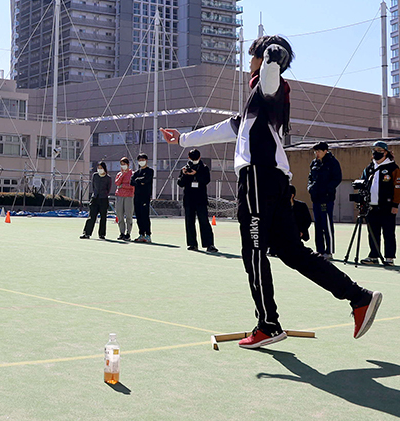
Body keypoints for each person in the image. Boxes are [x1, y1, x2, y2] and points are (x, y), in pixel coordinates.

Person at [161, 34, 382, 349]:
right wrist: (182, 139)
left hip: (257, 178)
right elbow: (227, 127)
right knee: (292, 252)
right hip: (276, 179)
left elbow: (269, 76)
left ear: (260, 59)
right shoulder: (259, 102)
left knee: (253, 250)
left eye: (253, 57)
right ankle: (359, 298)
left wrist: (272, 55)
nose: (250, 64)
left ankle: (267, 325)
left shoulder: (270, 87)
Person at [359, 142, 400, 266]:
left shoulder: (393, 168)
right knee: (373, 233)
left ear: (385, 152)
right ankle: (374, 256)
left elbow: (399, 188)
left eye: (379, 150)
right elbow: (362, 184)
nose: (376, 152)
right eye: (374, 150)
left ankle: (389, 257)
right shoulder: (369, 168)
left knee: (388, 232)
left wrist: (395, 205)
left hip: (387, 207)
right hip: (371, 207)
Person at [307, 141, 342, 260]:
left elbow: (337, 178)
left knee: (326, 224)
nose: (316, 153)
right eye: (315, 151)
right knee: (318, 225)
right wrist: (310, 188)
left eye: (319, 151)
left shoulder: (332, 163)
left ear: (325, 151)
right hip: (316, 198)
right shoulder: (314, 163)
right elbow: (310, 178)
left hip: (326, 198)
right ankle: (320, 250)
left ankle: (329, 251)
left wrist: (327, 190)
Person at [176, 149, 216, 252]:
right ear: (189, 158)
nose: (194, 160)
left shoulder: (204, 168)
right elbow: (180, 183)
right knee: (189, 222)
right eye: (192, 158)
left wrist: (196, 174)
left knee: (204, 221)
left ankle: (209, 244)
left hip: (201, 199)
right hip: (189, 199)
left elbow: (206, 180)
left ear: (199, 157)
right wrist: (185, 174)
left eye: (196, 158)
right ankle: (192, 244)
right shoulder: (185, 168)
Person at [80, 161, 111, 240]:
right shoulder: (95, 176)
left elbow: (108, 189)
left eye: (101, 168)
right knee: (91, 216)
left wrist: (103, 194)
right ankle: (87, 233)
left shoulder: (108, 178)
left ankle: (102, 234)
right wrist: (95, 194)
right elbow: (93, 186)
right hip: (95, 198)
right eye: (98, 168)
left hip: (103, 199)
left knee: (103, 217)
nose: (100, 170)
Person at [130, 153, 154, 243]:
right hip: (137, 196)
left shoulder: (150, 171)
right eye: (139, 160)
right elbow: (132, 182)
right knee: (138, 216)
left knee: (145, 215)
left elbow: (146, 180)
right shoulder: (136, 172)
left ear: (146, 160)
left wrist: (138, 180)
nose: (141, 162)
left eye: (143, 160)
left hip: (145, 196)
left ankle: (148, 235)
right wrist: (139, 181)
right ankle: (141, 234)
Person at [114, 157, 135, 240]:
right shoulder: (119, 174)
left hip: (129, 196)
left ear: (128, 165)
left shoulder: (132, 174)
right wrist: (122, 175)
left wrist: (123, 185)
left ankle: (128, 233)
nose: (123, 166)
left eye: (124, 164)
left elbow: (132, 186)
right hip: (119, 196)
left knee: (129, 215)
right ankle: (121, 232)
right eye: (121, 164)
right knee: (120, 215)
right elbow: (117, 183)